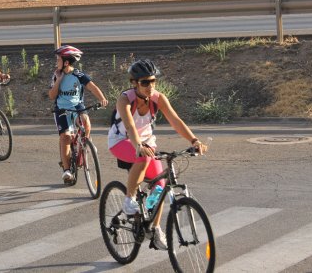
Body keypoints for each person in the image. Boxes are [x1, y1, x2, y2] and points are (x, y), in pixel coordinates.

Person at [107, 59, 208, 250]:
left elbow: (175, 120)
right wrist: (138, 145)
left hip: (146, 144)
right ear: (134, 83)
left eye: (153, 81)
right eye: (145, 82)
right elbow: (129, 126)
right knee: (143, 157)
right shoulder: (125, 99)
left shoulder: (158, 99)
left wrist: (194, 141)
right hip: (121, 141)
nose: (150, 86)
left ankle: (154, 228)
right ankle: (129, 200)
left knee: (160, 187)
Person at [49, 45, 108, 182]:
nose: (56, 62)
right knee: (65, 137)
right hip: (62, 108)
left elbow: (92, 87)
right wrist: (59, 80)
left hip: (76, 106)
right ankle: (67, 170)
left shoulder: (78, 75)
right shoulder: (56, 75)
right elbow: (52, 95)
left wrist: (102, 98)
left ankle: (85, 144)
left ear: (66, 62)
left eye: (58, 60)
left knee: (86, 122)